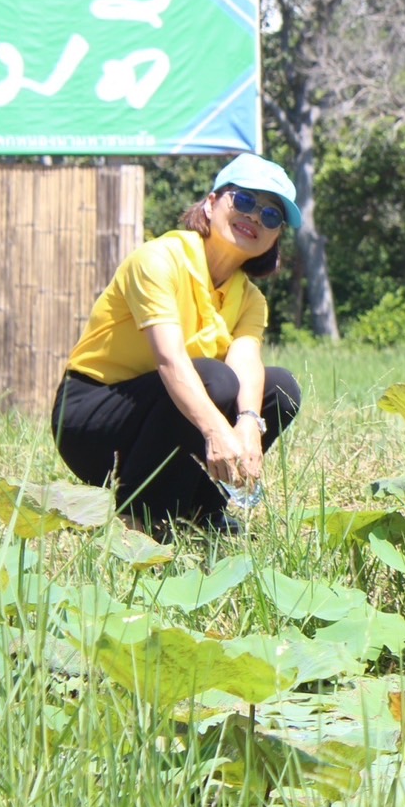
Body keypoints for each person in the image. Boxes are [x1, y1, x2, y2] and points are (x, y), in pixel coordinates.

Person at [50, 154, 303, 534]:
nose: (254, 217)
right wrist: (218, 432)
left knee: (280, 388)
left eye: (271, 216)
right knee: (215, 381)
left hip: (163, 415)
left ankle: (202, 508)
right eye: (245, 201)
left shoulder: (250, 299)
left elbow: (246, 361)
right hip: (91, 418)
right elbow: (170, 361)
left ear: (275, 237)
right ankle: (142, 516)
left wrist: (250, 424)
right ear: (212, 202)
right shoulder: (158, 260)